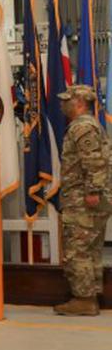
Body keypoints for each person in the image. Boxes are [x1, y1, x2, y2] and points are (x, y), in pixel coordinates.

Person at [54, 85, 111, 317]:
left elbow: (94, 162)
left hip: (84, 200)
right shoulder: (87, 125)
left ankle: (84, 299)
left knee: (78, 249)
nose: (61, 104)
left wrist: (93, 191)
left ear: (79, 103)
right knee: (90, 249)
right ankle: (90, 296)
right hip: (87, 198)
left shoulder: (83, 127)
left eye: (66, 100)